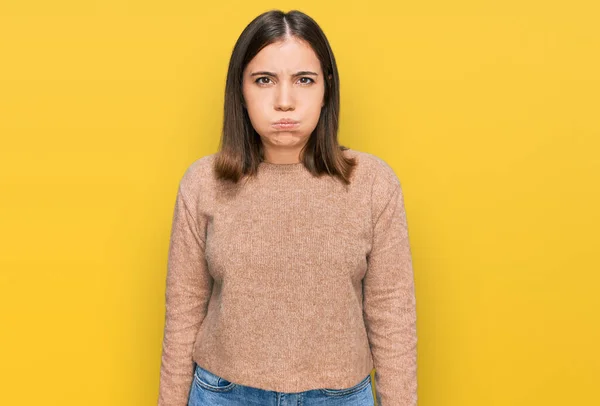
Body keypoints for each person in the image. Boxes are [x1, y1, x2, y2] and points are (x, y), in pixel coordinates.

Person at [157, 9, 417, 406]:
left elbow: (392, 318)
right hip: (224, 395)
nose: (284, 101)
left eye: (304, 80)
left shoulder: (373, 185)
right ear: (240, 92)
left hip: (341, 397)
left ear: (326, 89)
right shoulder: (202, 184)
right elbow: (182, 316)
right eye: (264, 80)